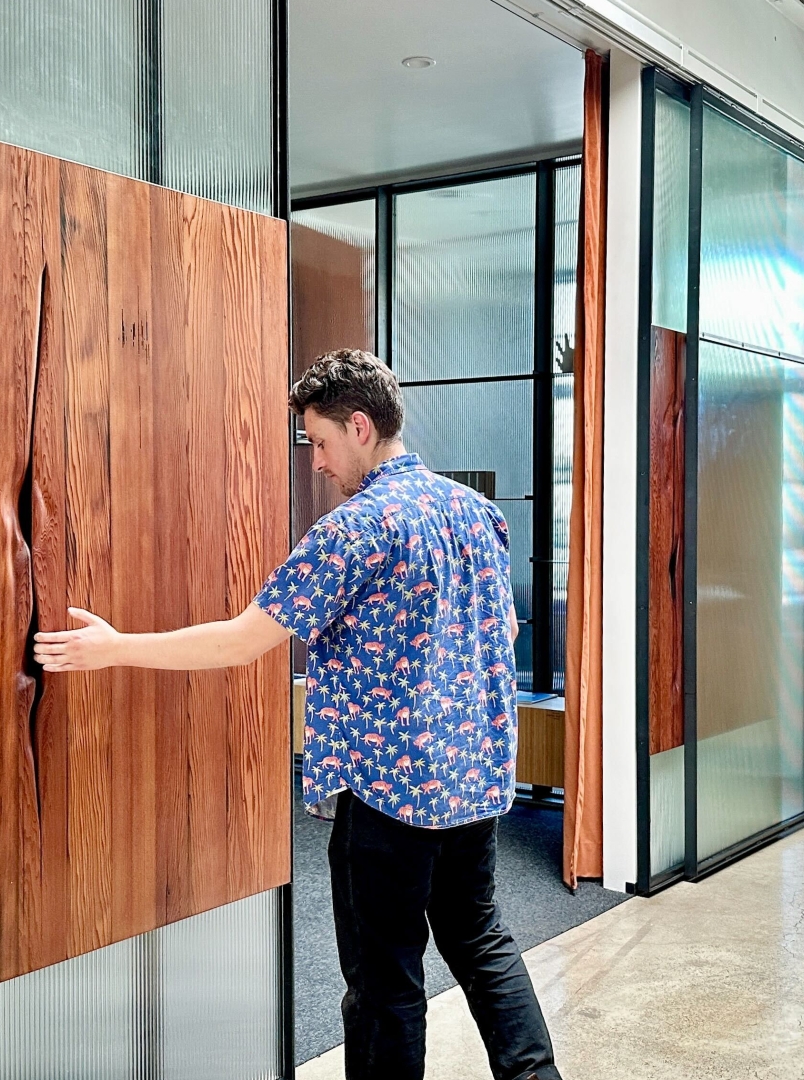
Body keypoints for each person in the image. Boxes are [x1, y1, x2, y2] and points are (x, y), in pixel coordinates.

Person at [33, 348, 561, 1080]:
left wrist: (115, 648)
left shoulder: (357, 529)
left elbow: (241, 641)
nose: (316, 463)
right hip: (473, 785)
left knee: (385, 986)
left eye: (319, 442)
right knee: (481, 944)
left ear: (360, 426)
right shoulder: (474, 511)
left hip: (391, 798)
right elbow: (501, 634)